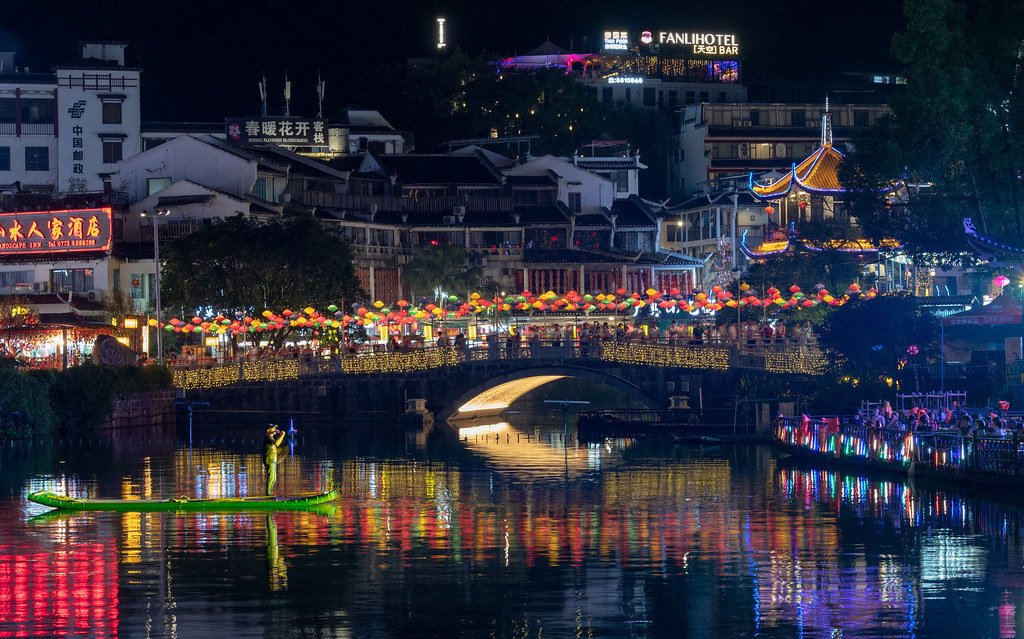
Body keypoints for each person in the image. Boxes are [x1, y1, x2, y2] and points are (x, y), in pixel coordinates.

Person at [264, 424, 286, 494]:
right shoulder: (267, 437)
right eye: (273, 428)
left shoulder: (271, 438)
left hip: (272, 460)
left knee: (274, 478)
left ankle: (269, 493)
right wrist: (282, 435)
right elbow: (276, 444)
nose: (275, 430)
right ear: (268, 430)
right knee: (271, 478)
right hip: (269, 460)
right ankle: (268, 494)